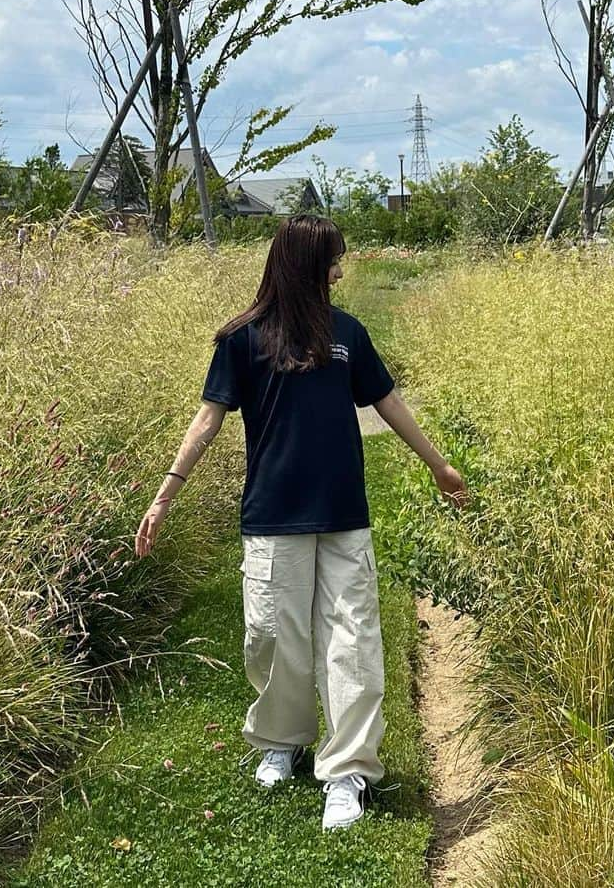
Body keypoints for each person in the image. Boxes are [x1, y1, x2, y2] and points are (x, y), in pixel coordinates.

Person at [134, 213, 468, 832]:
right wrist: (165, 495)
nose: (342, 268)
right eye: (335, 258)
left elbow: (387, 401)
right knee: (271, 637)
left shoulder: (348, 334)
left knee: (353, 643)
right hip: (272, 514)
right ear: (307, 262)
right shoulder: (242, 339)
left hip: (343, 513)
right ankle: (281, 740)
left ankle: (347, 773)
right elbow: (207, 420)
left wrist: (439, 466)